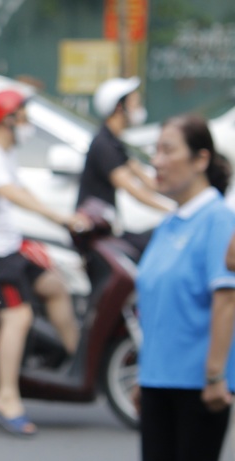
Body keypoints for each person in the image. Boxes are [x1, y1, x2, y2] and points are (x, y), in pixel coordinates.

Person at [0, 89, 85, 437]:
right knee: (18, 317)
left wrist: (63, 219)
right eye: (24, 115)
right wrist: (57, 216)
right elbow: (11, 193)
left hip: (13, 246)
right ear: (7, 119)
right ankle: (5, 395)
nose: (28, 123)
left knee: (55, 285)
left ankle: (75, 362)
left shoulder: (6, 152)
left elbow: (23, 190)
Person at [135, 114, 235, 461]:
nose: (157, 161)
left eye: (168, 150)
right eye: (155, 150)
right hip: (156, 382)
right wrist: (144, 373)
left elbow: (226, 301)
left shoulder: (219, 219)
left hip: (198, 387)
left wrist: (215, 377)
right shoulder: (169, 223)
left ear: (201, 159)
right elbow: (157, 307)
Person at [77, 76, 172, 253]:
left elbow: (147, 180)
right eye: (135, 102)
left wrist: (182, 198)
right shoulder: (103, 144)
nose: (139, 108)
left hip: (108, 227)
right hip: (95, 234)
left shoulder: (116, 142)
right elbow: (132, 189)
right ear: (119, 107)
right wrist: (172, 211)